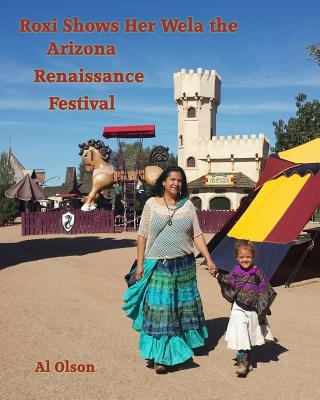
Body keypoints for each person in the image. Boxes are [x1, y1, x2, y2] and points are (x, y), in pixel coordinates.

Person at [123, 166, 217, 374]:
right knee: (161, 310)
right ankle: (160, 357)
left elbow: (197, 235)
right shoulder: (151, 204)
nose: (176, 183)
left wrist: (209, 259)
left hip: (184, 264)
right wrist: (139, 265)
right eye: (172, 179)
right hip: (159, 264)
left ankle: (180, 346)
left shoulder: (188, 206)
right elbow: (142, 235)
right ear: (163, 182)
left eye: (180, 180)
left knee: (182, 308)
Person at [211, 240, 276, 377]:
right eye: (241, 257)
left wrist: (262, 308)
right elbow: (227, 281)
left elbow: (264, 290)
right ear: (236, 257)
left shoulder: (258, 272)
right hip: (238, 308)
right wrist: (217, 275)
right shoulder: (235, 271)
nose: (245, 260)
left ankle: (245, 357)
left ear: (253, 257)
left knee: (248, 334)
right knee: (240, 331)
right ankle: (243, 362)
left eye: (248, 257)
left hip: (252, 309)